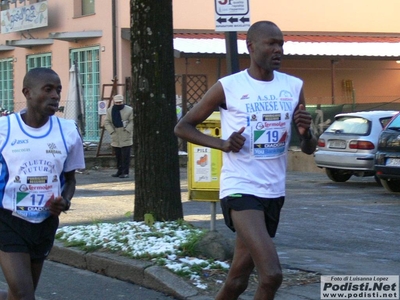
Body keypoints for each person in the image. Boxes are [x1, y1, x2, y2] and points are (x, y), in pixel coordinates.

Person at [174, 21, 317, 299]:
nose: (278, 49)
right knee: (272, 274)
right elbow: (183, 126)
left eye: (281, 44)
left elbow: (309, 148)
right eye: (271, 43)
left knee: (237, 279)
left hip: (273, 191)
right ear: (251, 47)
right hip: (240, 189)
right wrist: (223, 144)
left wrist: (307, 132)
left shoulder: (293, 86)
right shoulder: (228, 86)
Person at [0, 67, 85, 299]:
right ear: (27, 92)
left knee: (20, 293)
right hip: (8, 220)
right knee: (24, 293)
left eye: (58, 90)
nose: (56, 95)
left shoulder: (67, 131)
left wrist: (64, 202)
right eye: (48, 89)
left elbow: (70, 180)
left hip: (45, 223)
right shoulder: (4, 129)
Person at [104, 94, 133, 179]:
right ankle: (119, 171)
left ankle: (125, 172)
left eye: (120, 102)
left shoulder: (129, 110)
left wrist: (128, 129)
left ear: (123, 101)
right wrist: (112, 131)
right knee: (118, 155)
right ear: (114, 102)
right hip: (116, 134)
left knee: (126, 155)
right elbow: (107, 122)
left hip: (125, 134)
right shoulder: (110, 110)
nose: (118, 104)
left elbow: (132, 121)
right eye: (117, 103)